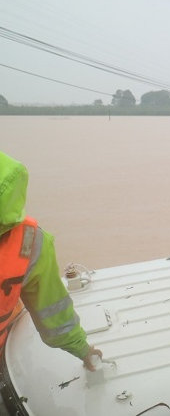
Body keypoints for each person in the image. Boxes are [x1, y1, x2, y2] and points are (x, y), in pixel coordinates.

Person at [0, 151, 102, 371]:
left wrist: (81, 348)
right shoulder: (30, 241)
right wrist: (82, 349)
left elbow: (52, 309)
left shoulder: (30, 243)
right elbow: (52, 311)